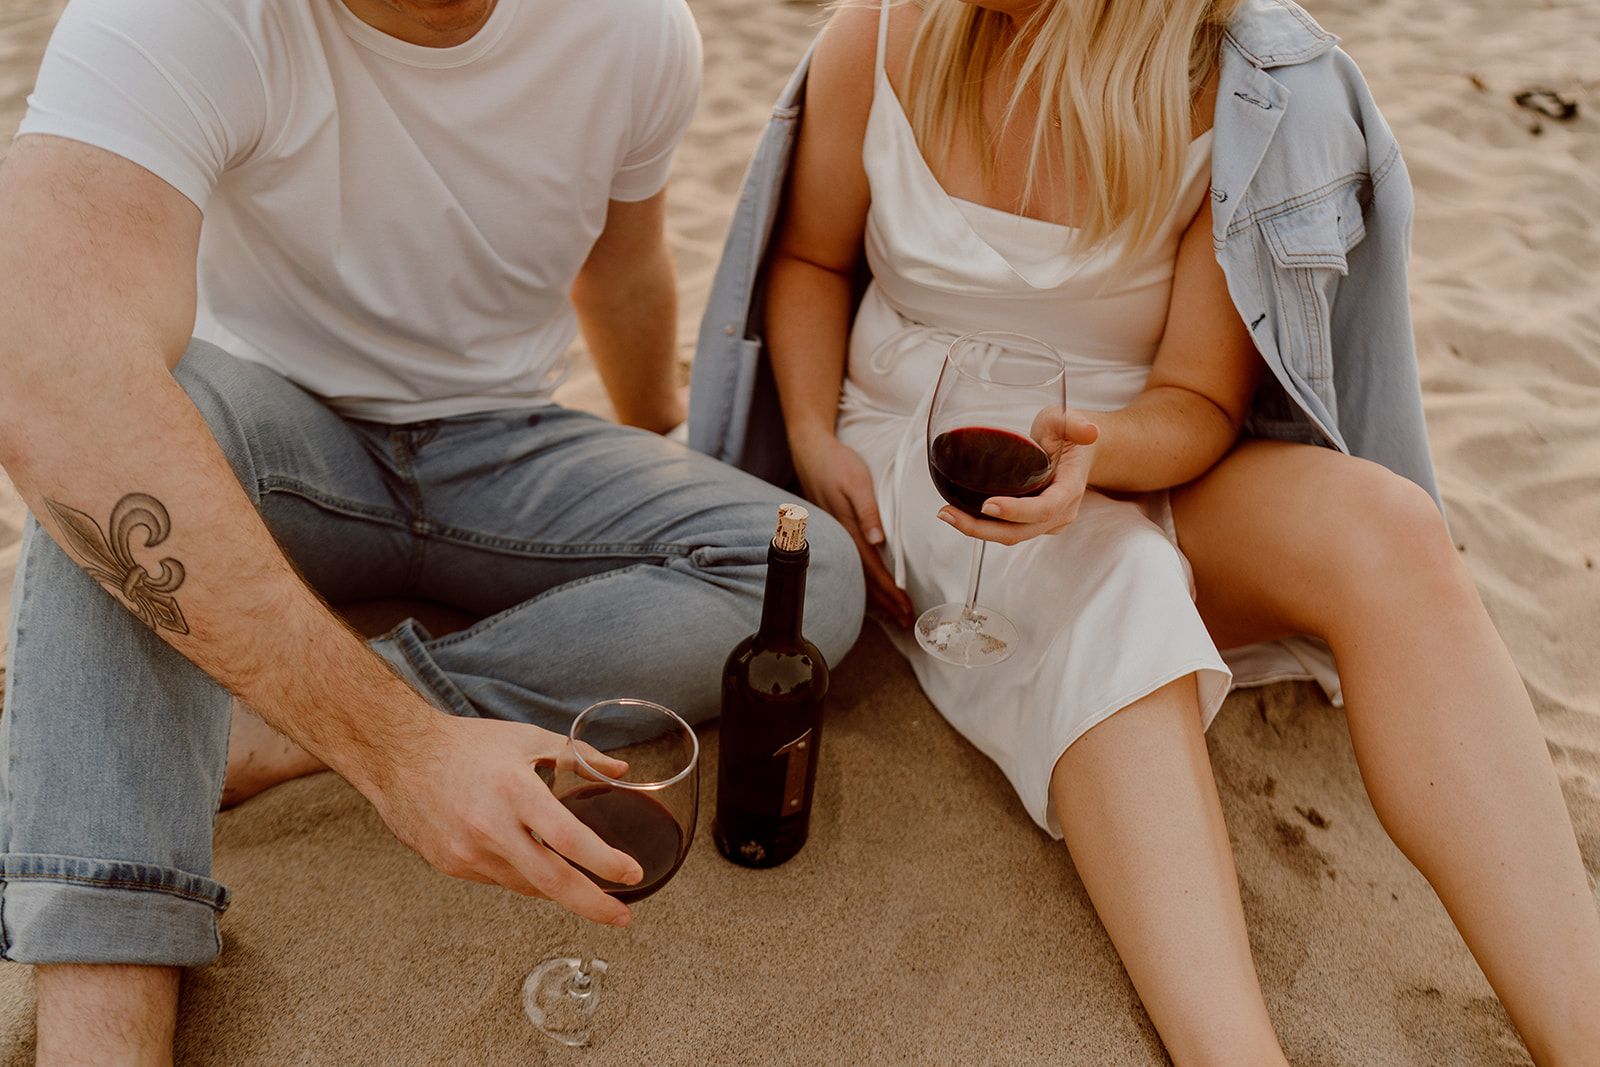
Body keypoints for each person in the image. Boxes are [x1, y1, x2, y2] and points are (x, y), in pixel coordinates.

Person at [0, 0, 865, 1061]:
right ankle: (105, 1039)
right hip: (277, 437)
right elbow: (51, 372)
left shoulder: (639, 31)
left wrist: (659, 439)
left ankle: (271, 734)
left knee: (804, 572)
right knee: (113, 452)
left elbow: (625, 268)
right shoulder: (189, 14)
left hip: (505, 445)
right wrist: (400, 752)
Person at [759, 0, 1600, 1062]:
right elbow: (807, 260)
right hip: (914, 455)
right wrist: (804, 434)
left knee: (1388, 528)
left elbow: (1199, 399)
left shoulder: (1240, 92)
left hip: (1130, 445)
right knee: (1117, 579)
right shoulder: (876, 38)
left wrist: (1094, 455)